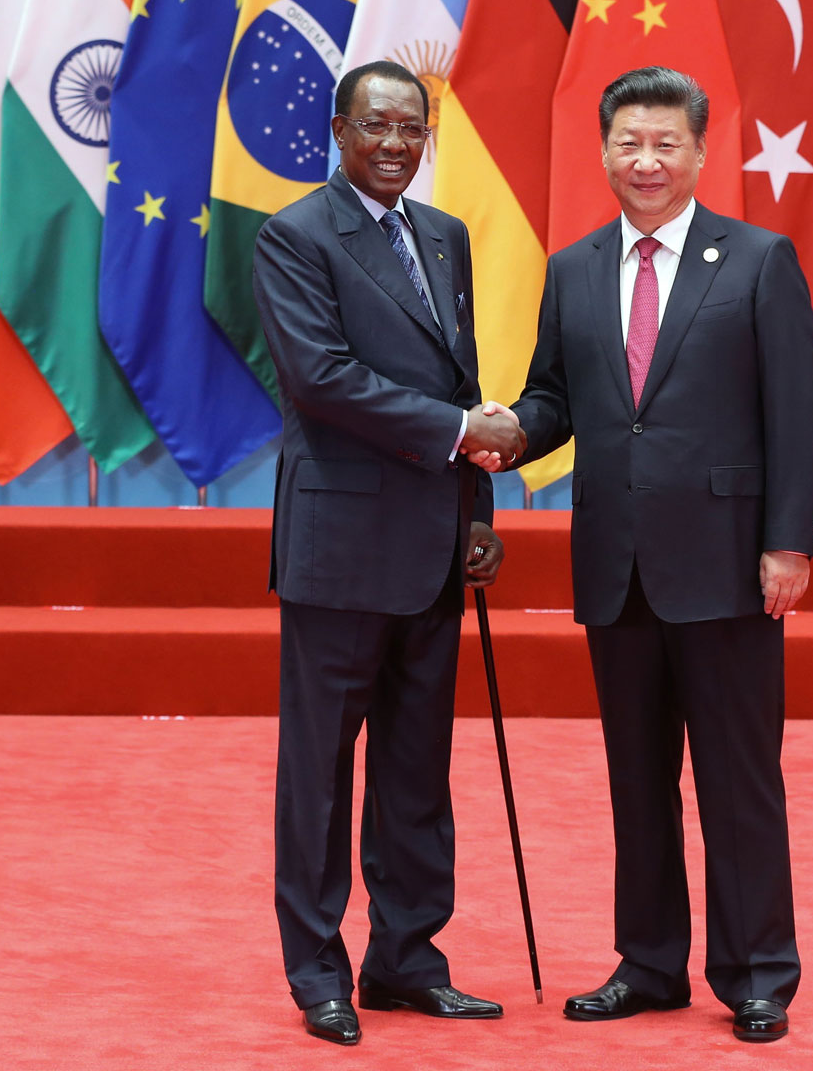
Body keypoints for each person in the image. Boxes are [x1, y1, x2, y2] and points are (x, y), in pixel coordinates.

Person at [486, 65, 813, 1044]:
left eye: (665, 143)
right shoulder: (574, 268)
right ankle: (647, 964)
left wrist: (788, 544)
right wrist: (510, 432)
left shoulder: (757, 261)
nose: (646, 160)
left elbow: (797, 416)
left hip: (728, 566)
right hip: (616, 567)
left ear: (700, 151)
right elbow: (556, 398)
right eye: (628, 143)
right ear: (603, 150)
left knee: (737, 782)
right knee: (636, 781)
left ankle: (757, 974)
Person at [252, 59, 528, 1047]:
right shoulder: (294, 235)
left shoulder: (444, 235)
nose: (397, 144)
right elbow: (321, 379)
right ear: (339, 130)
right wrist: (461, 433)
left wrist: (477, 511)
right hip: (339, 548)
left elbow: (461, 376)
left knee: (418, 772)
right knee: (319, 775)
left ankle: (407, 959)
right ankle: (318, 972)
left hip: (434, 546)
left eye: (412, 128)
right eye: (377, 126)